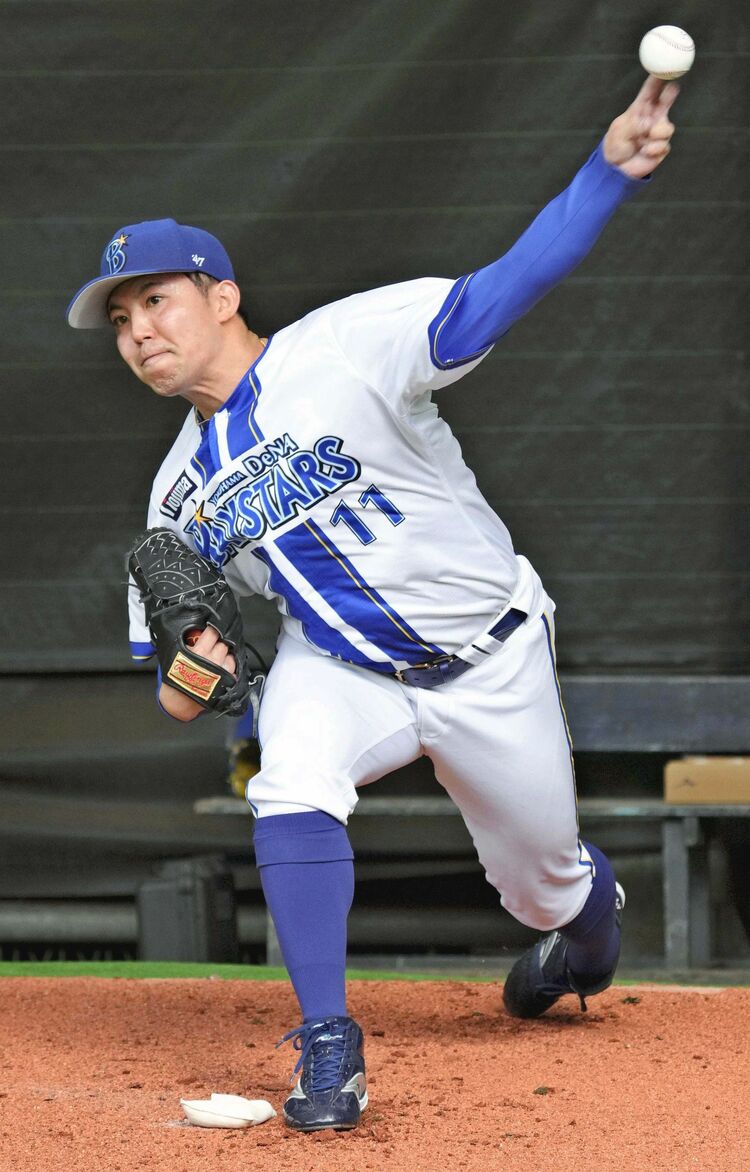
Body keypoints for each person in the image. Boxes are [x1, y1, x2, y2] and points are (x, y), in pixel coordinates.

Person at [67, 76, 678, 1133]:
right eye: (120, 319)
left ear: (222, 296)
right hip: (342, 665)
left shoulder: (348, 345)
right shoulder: (173, 502)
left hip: (489, 657)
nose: (138, 330)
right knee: (289, 778)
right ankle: (327, 1042)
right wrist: (198, 670)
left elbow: (506, 286)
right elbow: (175, 694)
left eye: (156, 299)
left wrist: (607, 172)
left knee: (543, 889)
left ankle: (584, 923)